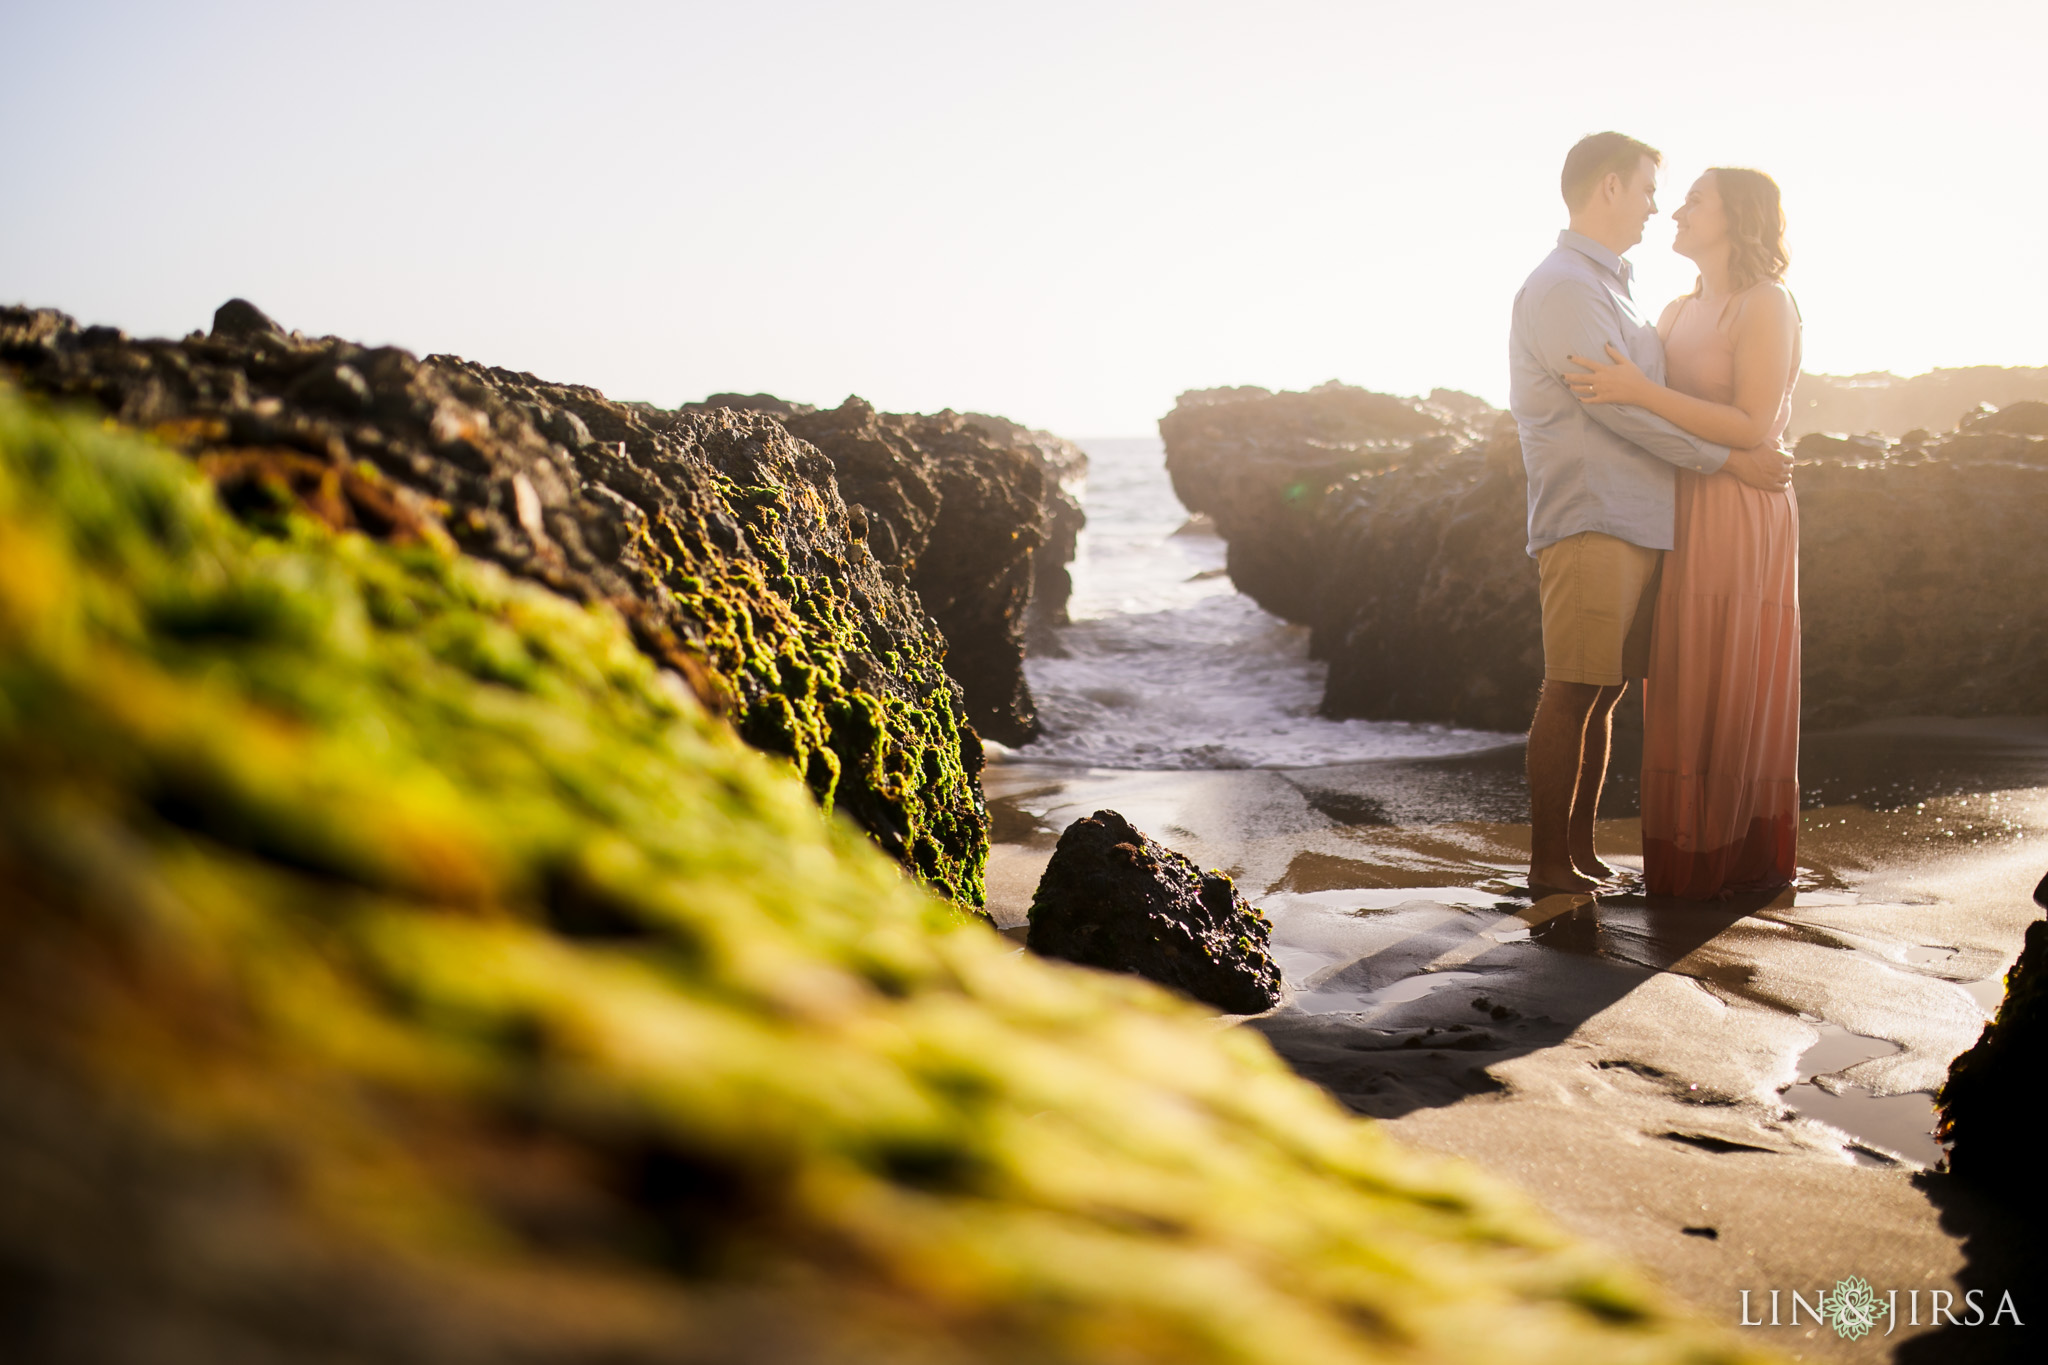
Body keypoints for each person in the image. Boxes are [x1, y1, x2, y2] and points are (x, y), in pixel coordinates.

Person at [1508, 132, 1791, 896]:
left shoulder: (1618, 287)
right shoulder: (1567, 285)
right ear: (1607, 188)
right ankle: (1546, 865)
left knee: (1605, 691)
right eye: (1644, 189)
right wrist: (1728, 461)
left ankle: (1579, 850)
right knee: (1571, 685)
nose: (1656, 206)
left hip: (1642, 516)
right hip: (1592, 512)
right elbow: (1618, 411)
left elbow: (1651, 396)